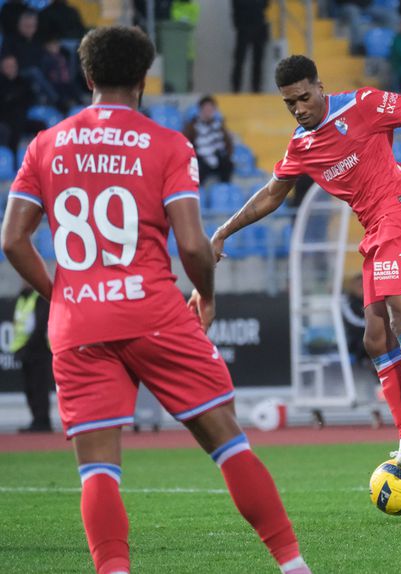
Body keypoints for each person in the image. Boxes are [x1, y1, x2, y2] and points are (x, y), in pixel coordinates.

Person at [0, 26, 311, 574]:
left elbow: (12, 239)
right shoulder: (167, 143)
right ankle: (292, 566)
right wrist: (207, 297)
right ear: (145, 80)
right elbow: (191, 243)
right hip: (153, 312)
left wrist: (64, 293)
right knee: (228, 444)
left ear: (88, 76)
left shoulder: (45, 144)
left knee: (97, 471)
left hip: (78, 322)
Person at [198, 55, 401, 467]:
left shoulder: (363, 105)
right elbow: (272, 195)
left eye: (304, 97)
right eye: (289, 103)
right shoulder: (302, 144)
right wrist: (223, 231)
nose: (299, 108)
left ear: (320, 87)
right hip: (377, 230)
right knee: (375, 339)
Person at [10, 282, 53, 433]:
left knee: (39, 387)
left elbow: (40, 326)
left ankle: (42, 421)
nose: (24, 282)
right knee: (30, 389)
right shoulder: (22, 298)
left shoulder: (39, 297)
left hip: (39, 351)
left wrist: (27, 348)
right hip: (24, 351)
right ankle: (37, 420)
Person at [182, 95, 235, 184]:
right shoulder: (192, 126)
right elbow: (186, 143)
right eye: (206, 109)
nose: (208, 112)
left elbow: (227, 143)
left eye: (211, 110)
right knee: (198, 167)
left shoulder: (219, 126)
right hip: (201, 158)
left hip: (217, 156)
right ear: (200, 110)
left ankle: (224, 188)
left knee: (228, 164)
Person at [0, 54, 47, 150]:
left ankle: (42, 153)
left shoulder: (22, 81)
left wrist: (12, 98)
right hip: (5, 119)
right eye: (7, 66)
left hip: (21, 117)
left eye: (13, 66)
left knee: (41, 125)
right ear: (2, 68)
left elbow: (30, 98)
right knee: (12, 127)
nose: (11, 68)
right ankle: (14, 158)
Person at [231, 0, 270, 93]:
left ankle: (256, 88)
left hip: (258, 26)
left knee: (258, 60)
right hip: (244, 27)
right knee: (240, 60)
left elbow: (265, 4)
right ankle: (236, 88)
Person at [341, 273, 368, 365]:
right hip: (354, 339)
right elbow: (353, 322)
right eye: (360, 286)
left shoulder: (370, 300)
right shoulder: (347, 301)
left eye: (366, 285)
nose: (363, 288)